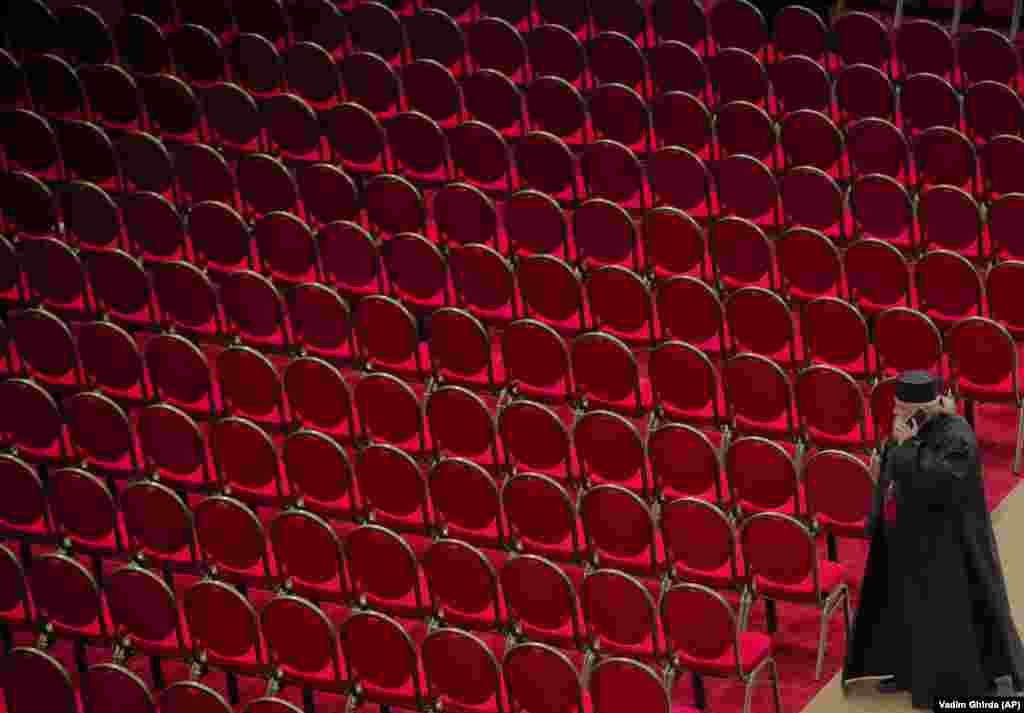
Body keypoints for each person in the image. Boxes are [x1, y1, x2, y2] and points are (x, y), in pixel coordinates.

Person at [843, 371, 1024, 708]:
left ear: (921, 408)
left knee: (943, 619)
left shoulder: (957, 436)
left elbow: (937, 481)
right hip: (904, 539)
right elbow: (889, 477)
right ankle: (905, 670)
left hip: (947, 548)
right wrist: (877, 519)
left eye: (901, 407)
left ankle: (946, 685)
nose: (895, 413)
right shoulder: (907, 431)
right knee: (901, 610)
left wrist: (905, 447)